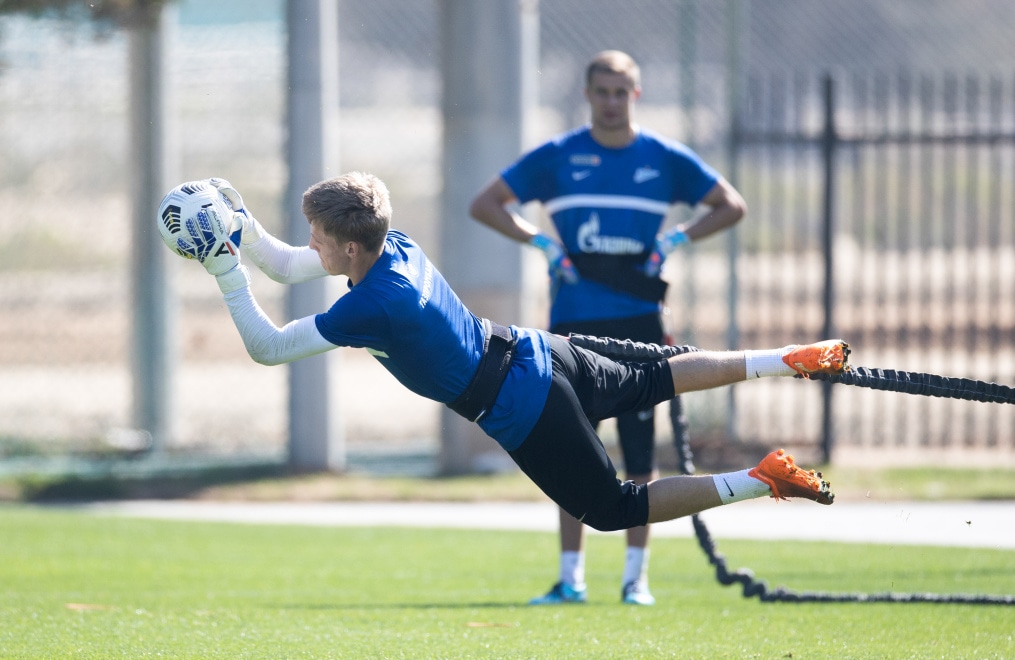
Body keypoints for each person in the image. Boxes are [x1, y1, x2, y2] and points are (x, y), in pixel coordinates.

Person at [159, 173, 847, 605]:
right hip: (535, 348)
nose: (308, 242)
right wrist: (241, 227)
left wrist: (225, 271)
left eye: (316, 234)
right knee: (657, 377)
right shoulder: (391, 245)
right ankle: (785, 358)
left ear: (344, 250)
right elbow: (283, 265)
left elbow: (269, 347)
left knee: (611, 509)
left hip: (521, 404)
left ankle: (763, 479)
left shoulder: (366, 307)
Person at [468, 50, 747, 605]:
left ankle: (634, 579)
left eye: (623, 92)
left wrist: (676, 238)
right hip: (573, 328)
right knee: (573, 449)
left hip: (640, 326)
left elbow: (729, 205)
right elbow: (487, 203)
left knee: (640, 454)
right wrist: (541, 241)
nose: (613, 102)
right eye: (603, 92)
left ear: (636, 95)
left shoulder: (664, 158)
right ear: (589, 95)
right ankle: (570, 578)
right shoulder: (558, 156)